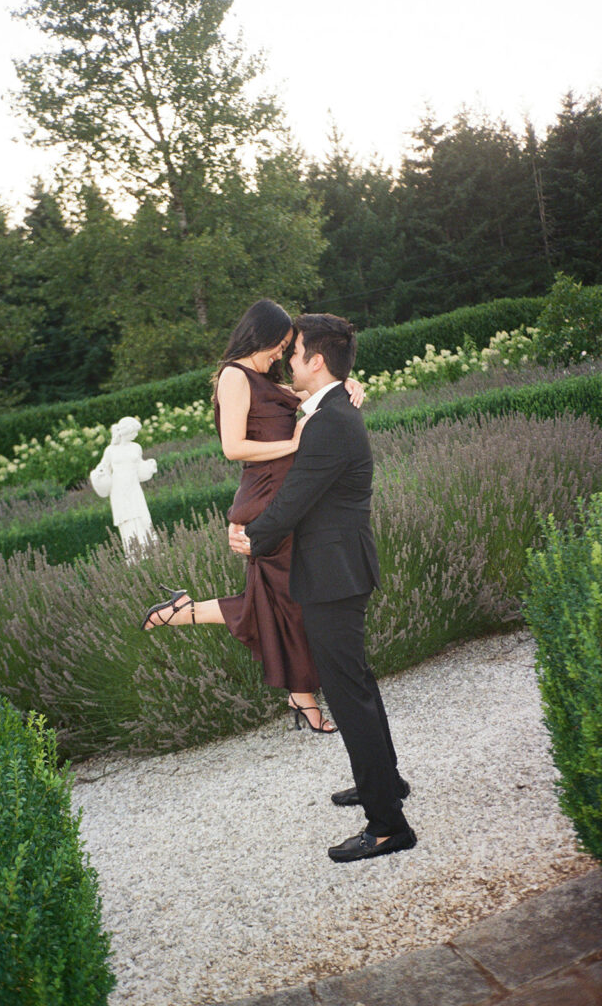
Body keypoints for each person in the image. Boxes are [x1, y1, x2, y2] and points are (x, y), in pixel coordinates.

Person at [231, 313, 416, 863]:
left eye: (295, 353)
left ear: (315, 361)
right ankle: (386, 783)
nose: (289, 360)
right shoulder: (330, 409)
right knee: (357, 684)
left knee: (349, 694)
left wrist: (252, 538)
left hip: (333, 576)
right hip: (339, 570)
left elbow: (294, 500)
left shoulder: (331, 421)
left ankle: (387, 826)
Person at [141, 299, 363, 733]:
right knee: (290, 600)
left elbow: (314, 392)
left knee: (282, 599)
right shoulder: (234, 376)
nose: (282, 354)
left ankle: (186, 612)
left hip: (284, 498)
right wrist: (294, 444)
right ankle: (300, 695)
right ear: (261, 337)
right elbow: (233, 447)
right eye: (280, 345)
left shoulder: (264, 377)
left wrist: (349, 383)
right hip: (267, 498)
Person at [91, 416, 158, 559]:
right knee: (127, 520)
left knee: (142, 516)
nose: (136, 435)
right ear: (126, 431)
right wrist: (99, 474)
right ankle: (134, 554)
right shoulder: (110, 450)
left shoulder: (136, 447)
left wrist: (149, 466)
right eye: (134, 432)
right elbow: (103, 467)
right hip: (119, 489)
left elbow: (140, 468)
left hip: (134, 486)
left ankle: (150, 550)